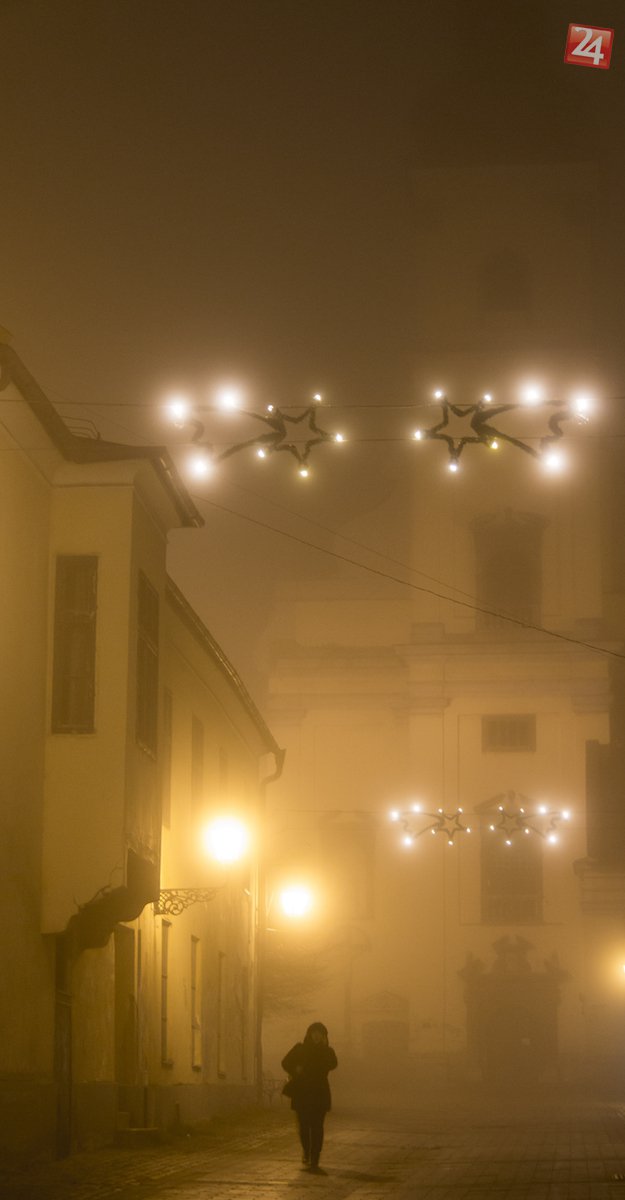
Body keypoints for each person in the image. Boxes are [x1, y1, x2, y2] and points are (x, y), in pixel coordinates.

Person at [281, 1021, 338, 1174]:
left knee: (317, 1126)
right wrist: (295, 1069)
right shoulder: (300, 1048)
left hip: (319, 1093)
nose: (317, 1036)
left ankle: (315, 1158)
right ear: (309, 1034)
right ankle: (307, 1150)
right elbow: (285, 1062)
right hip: (302, 1092)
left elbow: (334, 1064)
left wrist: (324, 1051)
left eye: (320, 1033)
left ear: (324, 1036)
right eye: (314, 1032)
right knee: (304, 1125)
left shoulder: (327, 1051)